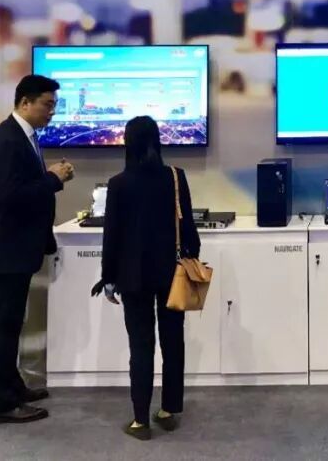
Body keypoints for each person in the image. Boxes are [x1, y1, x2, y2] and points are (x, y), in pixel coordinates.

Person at [0, 75, 75, 425]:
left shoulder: (23, 136)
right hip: (5, 248)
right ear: (25, 102)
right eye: (47, 105)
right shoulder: (7, 140)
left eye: (55, 105)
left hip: (12, 247)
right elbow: (10, 195)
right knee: (3, 325)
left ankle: (12, 387)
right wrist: (53, 178)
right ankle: (0, 404)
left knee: (11, 323)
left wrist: (50, 178)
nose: (52, 112)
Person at [100, 116, 201, 441]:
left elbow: (112, 236)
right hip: (172, 273)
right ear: (158, 140)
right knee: (173, 342)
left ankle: (140, 420)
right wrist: (191, 257)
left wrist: (108, 278)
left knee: (140, 346)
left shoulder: (118, 184)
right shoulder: (175, 177)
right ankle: (169, 409)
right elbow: (188, 228)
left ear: (127, 143)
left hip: (133, 277)